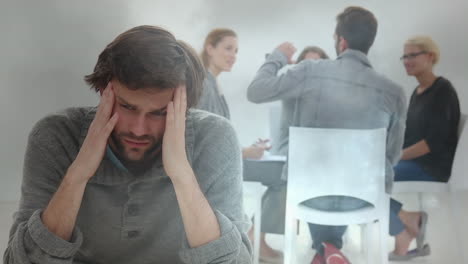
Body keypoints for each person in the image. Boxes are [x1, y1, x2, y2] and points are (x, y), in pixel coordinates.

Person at [3, 25, 252, 264]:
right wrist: (77, 175)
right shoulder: (55, 135)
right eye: (127, 106)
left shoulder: (215, 138)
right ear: (103, 91)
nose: (138, 129)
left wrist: (182, 176)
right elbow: (20, 261)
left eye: (160, 112)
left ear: (184, 109)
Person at [247, 6, 407, 264]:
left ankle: (325, 248)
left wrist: (277, 57)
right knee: (337, 179)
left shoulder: (310, 71)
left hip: (309, 195)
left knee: (317, 178)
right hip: (363, 199)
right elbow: (393, 156)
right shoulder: (394, 92)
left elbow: (255, 91)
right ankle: (330, 248)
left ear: (340, 41)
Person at [244, 45, 330, 264]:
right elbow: (259, 89)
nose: (311, 69)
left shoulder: (331, 97)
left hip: (308, 164)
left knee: (292, 176)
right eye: (305, 63)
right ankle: (256, 238)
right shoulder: (294, 87)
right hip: (288, 161)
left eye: (317, 63)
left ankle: (255, 237)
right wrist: (279, 60)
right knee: (290, 175)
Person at [388, 35, 461, 261]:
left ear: (430, 57)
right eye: (404, 56)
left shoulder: (443, 91)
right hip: (416, 161)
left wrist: (395, 158)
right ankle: (409, 220)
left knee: (374, 178)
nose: (406, 61)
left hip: (431, 166)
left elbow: (432, 143)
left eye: (412, 55)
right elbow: (411, 135)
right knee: (370, 172)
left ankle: (404, 228)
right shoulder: (418, 92)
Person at [196, 28, 270, 160]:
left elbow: (219, 136)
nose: (233, 56)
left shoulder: (214, 83)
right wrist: (244, 153)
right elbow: (204, 140)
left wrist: (248, 149)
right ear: (210, 49)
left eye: (236, 51)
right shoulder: (204, 84)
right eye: (228, 48)